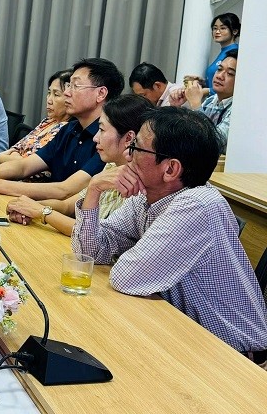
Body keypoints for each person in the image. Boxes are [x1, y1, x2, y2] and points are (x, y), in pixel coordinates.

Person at [72, 107, 267, 359]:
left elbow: (125, 277)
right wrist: (94, 190)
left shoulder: (197, 205)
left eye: (136, 147)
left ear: (171, 169)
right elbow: (90, 252)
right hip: (184, 332)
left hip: (232, 355)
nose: (127, 154)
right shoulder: (148, 194)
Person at [0, 58, 125, 200]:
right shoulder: (70, 129)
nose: (67, 93)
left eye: (75, 86)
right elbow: (25, 167)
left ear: (101, 93)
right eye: (68, 85)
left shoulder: (109, 139)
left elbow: (65, 191)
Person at [6, 94, 153, 236]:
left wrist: (41, 212)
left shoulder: (141, 186)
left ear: (129, 138)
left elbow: (95, 235)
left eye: (102, 130)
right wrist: (28, 206)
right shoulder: (111, 166)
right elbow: (68, 206)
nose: (95, 138)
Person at [0, 70, 72, 165]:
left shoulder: (67, 130)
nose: (49, 100)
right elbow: (16, 148)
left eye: (56, 95)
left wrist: (3, 157)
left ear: (70, 98)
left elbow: (33, 165)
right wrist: (13, 156)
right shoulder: (48, 121)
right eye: (49, 93)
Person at [170, 49, 236, 152]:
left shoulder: (238, 110)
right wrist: (176, 108)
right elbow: (188, 134)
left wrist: (196, 104)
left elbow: (214, 144)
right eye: (219, 69)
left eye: (230, 74)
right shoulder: (211, 100)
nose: (219, 76)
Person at [185, 13, 240, 97]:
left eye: (223, 28)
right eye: (215, 28)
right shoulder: (223, 51)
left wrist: (207, 91)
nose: (217, 32)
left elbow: (232, 86)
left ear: (235, 31)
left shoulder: (235, 52)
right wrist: (203, 82)